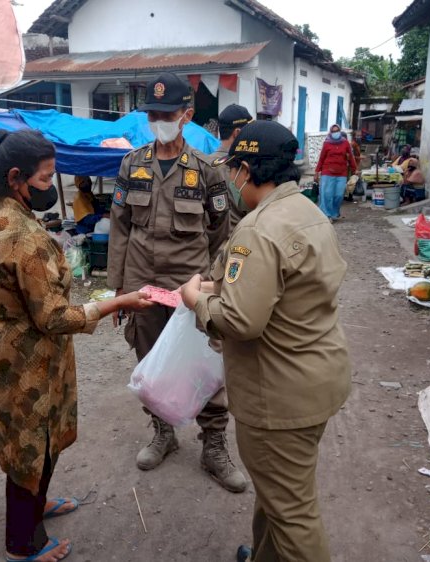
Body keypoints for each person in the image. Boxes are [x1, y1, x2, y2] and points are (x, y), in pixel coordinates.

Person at [0, 129, 152, 562]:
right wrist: (115, 303)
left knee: (34, 439)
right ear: (16, 177)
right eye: (45, 178)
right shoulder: (25, 239)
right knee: (30, 445)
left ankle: (37, 502)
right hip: (25, 358)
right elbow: (52, 317)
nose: (52, 186)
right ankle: (22, 544)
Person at [180, 120, 351, 562]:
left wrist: (196, 300)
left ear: (246, 170)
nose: (230, 179)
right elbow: (287, 293)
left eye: (233, 169)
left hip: (278, 393)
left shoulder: (260, 229)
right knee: (280, 489)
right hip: (315, 378)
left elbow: (240, 321)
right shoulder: (308, 213)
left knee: (293, 511)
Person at [108, 72, 247, 493]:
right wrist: (119, 289)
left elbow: (223, 234)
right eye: (152, 113)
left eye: (167, 114)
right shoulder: (132, 165)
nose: (159, 120)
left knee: (204, 365)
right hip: (143, 285)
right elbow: (120, 227)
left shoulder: (208, 171)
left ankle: (215, 444)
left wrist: (213, 286)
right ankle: (162, 433)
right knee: (151, 363)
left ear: (186, 115)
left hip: (191, 287)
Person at [209, 104, 254, 229]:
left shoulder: (203, 163)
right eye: (249, 131)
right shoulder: (243, 168)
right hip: (239, 241)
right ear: (237, 133)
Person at [315, 123, 358, 221]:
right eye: (333, 131)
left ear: (340, 131)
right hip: (327, 172)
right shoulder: (326, 143)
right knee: (327, 194)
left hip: (341, 172)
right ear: (330, 132)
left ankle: (334, 213)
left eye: (337, 131)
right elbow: (321, 158)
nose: (335, 133)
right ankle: (327, 215)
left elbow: (351, 157)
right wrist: (317, 171)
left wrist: (354, 169)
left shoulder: (345, 143)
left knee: (339, 195)